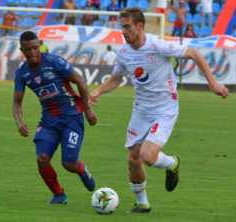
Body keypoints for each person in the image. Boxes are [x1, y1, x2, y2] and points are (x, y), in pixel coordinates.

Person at [89, 7, 229, 213]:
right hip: (141, 109)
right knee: (133, 158)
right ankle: (142, 203)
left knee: (147, 154)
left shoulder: (157, 45)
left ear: (140, 26)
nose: (124, 32)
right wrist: (98, 91)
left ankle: (172, 163)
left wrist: (213, 82)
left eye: (127, 27)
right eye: (122, 27)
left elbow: (193, 52)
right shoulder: (124, 53)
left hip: (165, 108)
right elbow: (116, 78)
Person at [12, 31, 97, 204]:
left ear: (40, 44)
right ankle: (59, 194)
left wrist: (87, 110)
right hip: (49, 121)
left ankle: (81, 169)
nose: (32, 52)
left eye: (35, 47)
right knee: (42, 159)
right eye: (28, 49)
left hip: (72, 118)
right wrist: (19, 122)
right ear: (22, 50)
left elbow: (79, 81)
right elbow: (16, 103)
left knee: (69, 163)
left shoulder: (54, 62)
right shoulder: (22, 73)